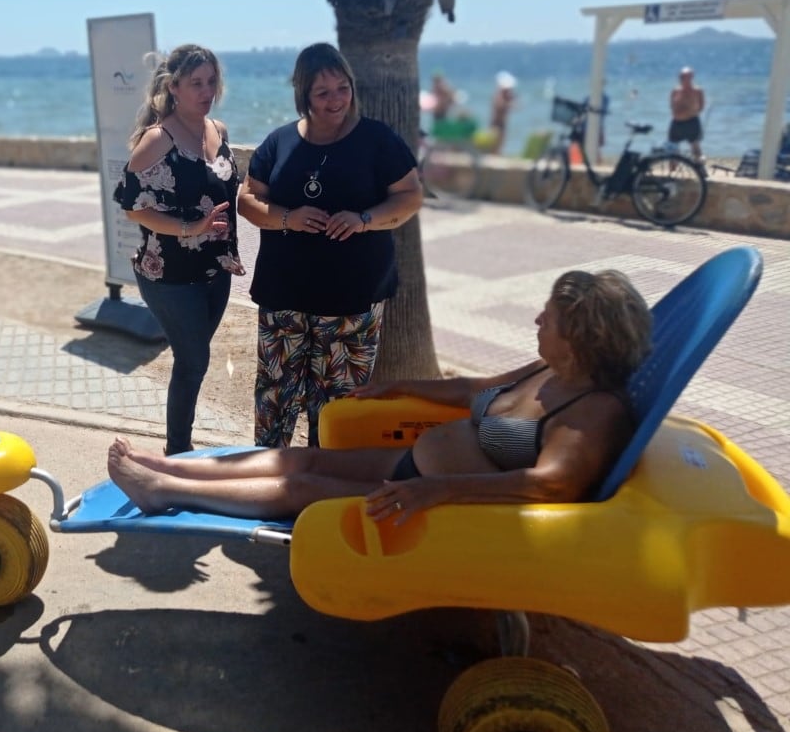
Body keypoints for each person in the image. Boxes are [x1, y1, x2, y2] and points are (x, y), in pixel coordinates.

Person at [106, 269, 652, 521]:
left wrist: (435, 493)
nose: (537, 318)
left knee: (301, 485)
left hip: (435, 499)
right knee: (304, 455)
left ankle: (165, 491)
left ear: (582, 337)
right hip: (417, 465)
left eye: (550, 317)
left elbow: (552, 484)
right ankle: (171, 467)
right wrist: (401, 384)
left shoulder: (593, 414)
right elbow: (476, 390)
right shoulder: (550, 367)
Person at [237, 43, 422, 449]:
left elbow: (409, 196)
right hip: (284, 296)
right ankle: (268, 481)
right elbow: (247, 200)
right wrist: (289, 217)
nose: (336, 100)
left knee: (338, 406)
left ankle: (324, 486)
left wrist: (364, 219)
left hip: (352, 302)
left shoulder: (377, 140)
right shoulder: (279, 142)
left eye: (343, 88)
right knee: (275, 397)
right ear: (303, 95)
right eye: (323, 92)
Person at [114, 44, 244, 456]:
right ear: (174, 87)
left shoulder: (218, 130)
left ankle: (180, 450)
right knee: (194, 361)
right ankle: (177, 453)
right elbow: (133, 208)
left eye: (211, 82)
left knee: (193, 361)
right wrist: (191, 227)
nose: (206, 91)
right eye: (196, 83)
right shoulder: (158, 139)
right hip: (168, 273)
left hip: (214, 267)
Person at [669, 66, 706, 161]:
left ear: (691, 77)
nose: (682, 79)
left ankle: (700, 168)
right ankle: (672, 171)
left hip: (691, 121)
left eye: (685, 76)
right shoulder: (675, 90)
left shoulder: (697, 90)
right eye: (681, 76)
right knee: (672, 147)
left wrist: (689, 111)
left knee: (695, 147)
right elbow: (672, 105)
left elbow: (701, 106)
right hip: (676, 122)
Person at [486, 71, 517, 155]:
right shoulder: (499, 95)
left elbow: (516, 105)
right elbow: (500, 106)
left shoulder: (505, 96)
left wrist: (510, 100)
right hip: (496, 124)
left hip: (501, 124)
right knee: (495, 146)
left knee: (500, 145)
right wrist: (509, 103)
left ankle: (496, 155)